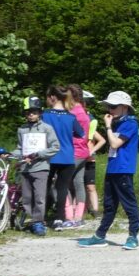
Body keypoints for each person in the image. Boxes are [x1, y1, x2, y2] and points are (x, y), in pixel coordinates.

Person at [77, 91, 139, 250]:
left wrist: (107, 126)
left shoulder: (131, 123)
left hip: (123, 169)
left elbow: (114, 144)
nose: (109, 110)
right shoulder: (118, 123)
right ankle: (100, 236)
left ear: (125, 107)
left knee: (129, 204)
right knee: (109, 205)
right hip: (113, 168)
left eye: (113, 106)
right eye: (108, 106)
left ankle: (133, 237)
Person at [8, 97, 60, 236]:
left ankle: (38, 222)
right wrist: (10, 154)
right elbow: (20, 148)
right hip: (25, 168)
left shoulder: (47, 128)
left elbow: (55, 147)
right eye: (28, 112)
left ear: (39, 112)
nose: (31, 114)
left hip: (41, 167)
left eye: (34, 111)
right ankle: (31, 220)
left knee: (39, 197)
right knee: (26, 197)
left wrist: (38, 154)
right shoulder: (22, 130)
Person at [41, 85, 83, 230]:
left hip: (49, 157)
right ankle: (59, 218)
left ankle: (42, 216)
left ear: (52, 97)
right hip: (67, 158)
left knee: (44, 187)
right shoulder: (71, 117)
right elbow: (81, 134)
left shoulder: (44, 115)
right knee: (62, 188)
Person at [65, 84, 92, 227]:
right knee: (79, 183)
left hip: (74, 152)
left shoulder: (73, 113)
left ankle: (69, 216)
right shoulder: (83, 111)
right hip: (83, 152)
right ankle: (79, 216)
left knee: (62, 183)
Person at [81, 91, 106, 218]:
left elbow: (101, 139)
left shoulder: (90, 119)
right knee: (76, 186)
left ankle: (95, 210)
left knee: (90, 186)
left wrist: (91, 150)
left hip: (89, 159)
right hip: (76, 158)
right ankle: (81, 209)